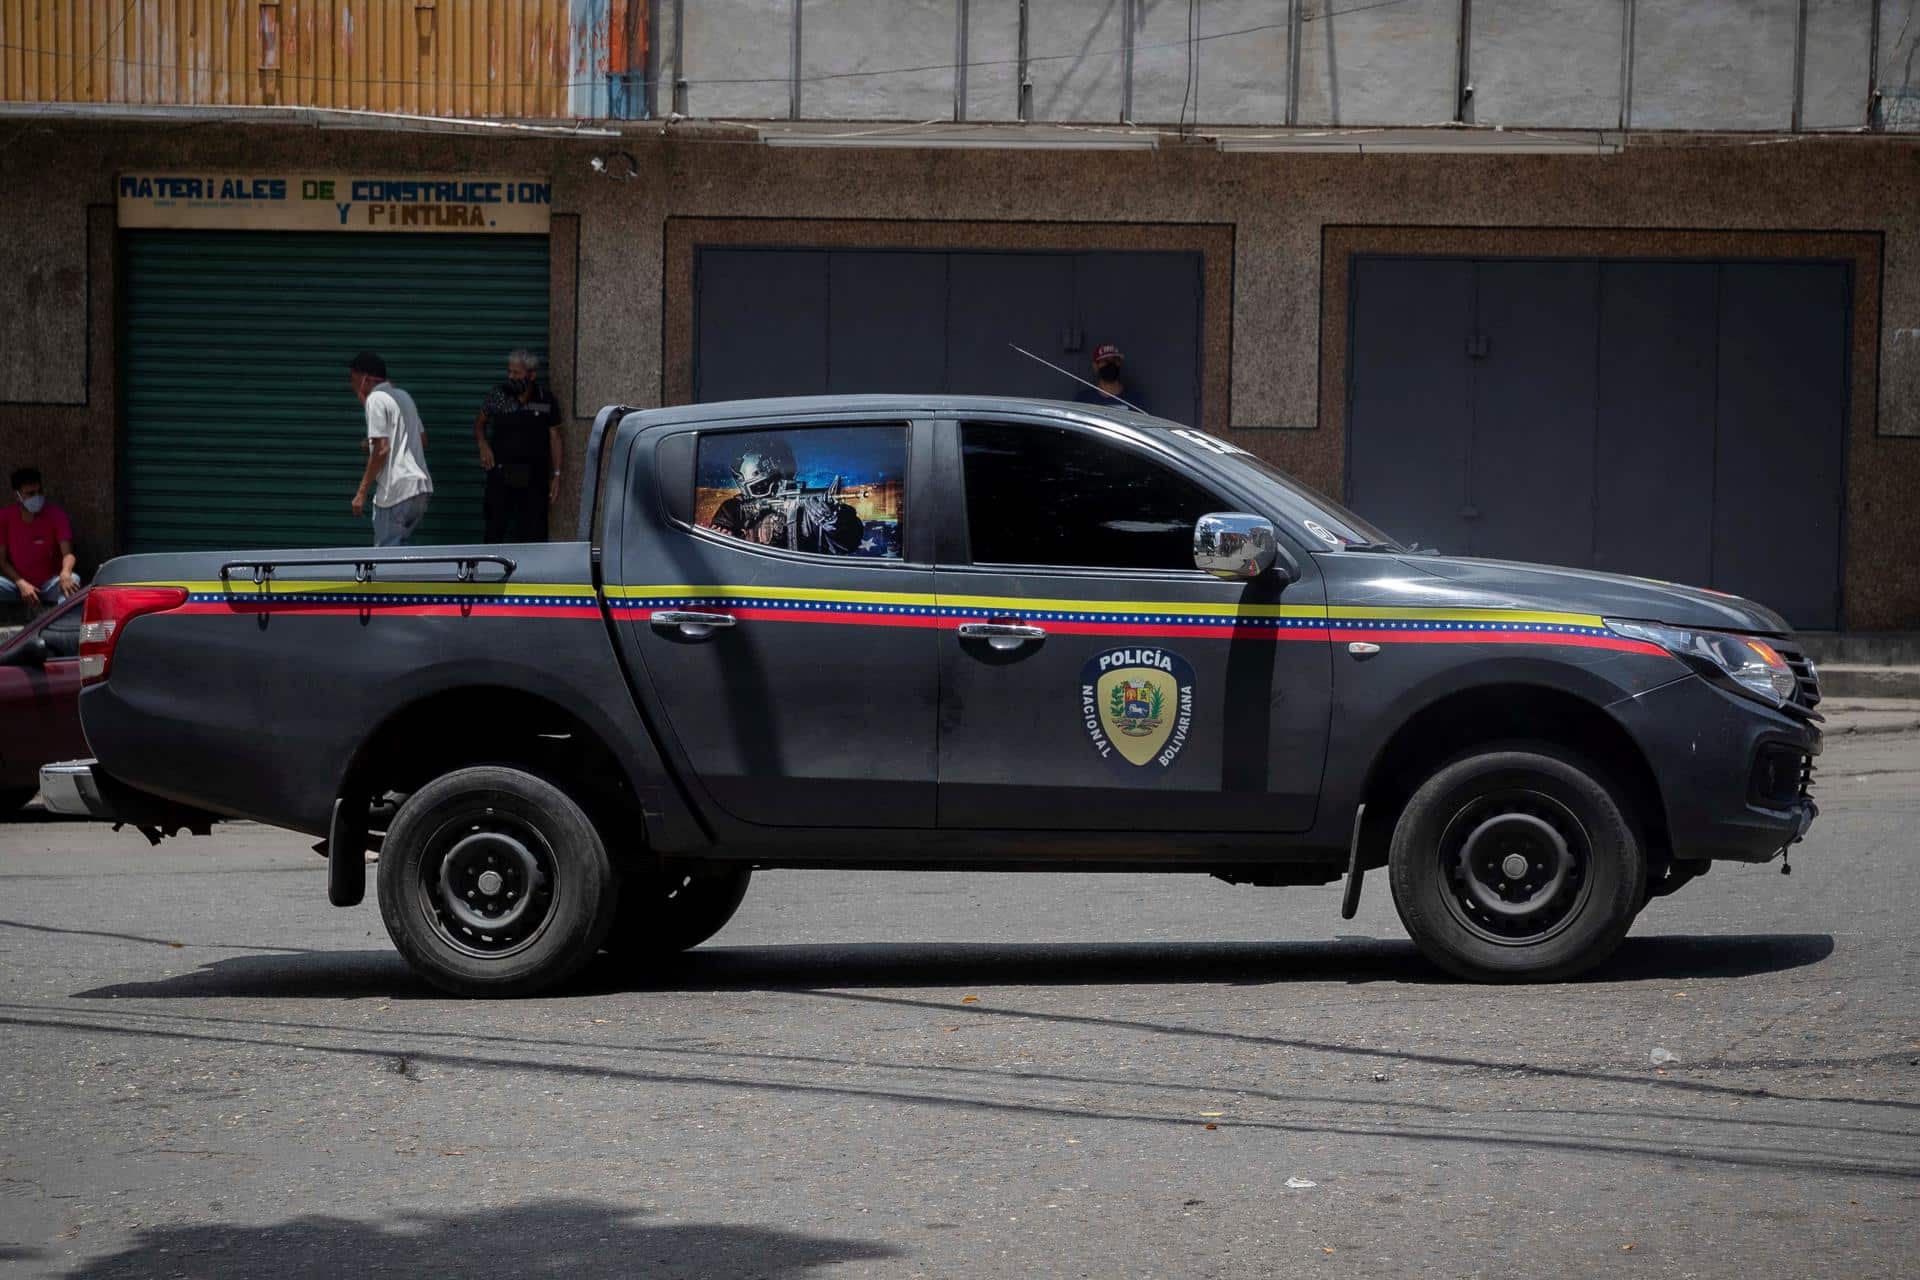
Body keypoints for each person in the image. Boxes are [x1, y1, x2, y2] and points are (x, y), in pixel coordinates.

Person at [705, 437, 864, 555]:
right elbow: (719, 553)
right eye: (763, 486)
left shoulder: (809, 509)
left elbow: (848, 542)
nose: (777, 489)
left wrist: (835, 525)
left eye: (780, 479)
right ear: (747, 489)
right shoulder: (734, 510)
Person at [473, 349, 563, 543]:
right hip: (501, 473)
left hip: (534, 477)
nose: (511, 377)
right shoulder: (499, 395)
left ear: (531, 375)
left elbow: (555, 437)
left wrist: (556, 474)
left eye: (517, 373)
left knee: (533, 532)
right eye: (509, 372)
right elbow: (480, 423)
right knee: (495, 528)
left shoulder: (545, 399)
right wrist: (483, 444)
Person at [347, 352, 434, 547]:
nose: (352, 387)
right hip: (420, 491)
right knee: (401, 552)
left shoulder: (376, 399)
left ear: (365, 379)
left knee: (386, 557)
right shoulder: (403, 396)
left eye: (353, 381)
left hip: (396, 492)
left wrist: (361, 492)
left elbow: (381, 449)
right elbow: (422, 440)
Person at [0, 467, 81, 608]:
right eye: (30, 494)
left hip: (49, 584)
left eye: (39, 492)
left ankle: (63, 626)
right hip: (16, 585)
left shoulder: (56, 515)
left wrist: (65, 573)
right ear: (18, 495)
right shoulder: (5, 517)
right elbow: (2, 561)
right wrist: (21, 584)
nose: (37, 497)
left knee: (73, 580)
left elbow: (68, 554)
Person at [1072, 342, 1147, 414]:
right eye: (1105, 361)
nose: (1111, 365)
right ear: (1095, 366)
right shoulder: (1083, 399)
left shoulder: (1134, 399)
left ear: (1120, 363)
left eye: (1115, 361)